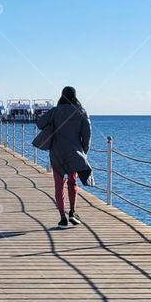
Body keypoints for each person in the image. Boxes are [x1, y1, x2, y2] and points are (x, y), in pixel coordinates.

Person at [34, 86, 93, 228]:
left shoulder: (55, 111)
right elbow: (87, 134)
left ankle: (62, 218)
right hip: (74, 153)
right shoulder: (81, 112)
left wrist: (52, 123)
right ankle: (72, 212)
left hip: (57, 152)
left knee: (59, 185)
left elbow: (40, 123)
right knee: (73, 183)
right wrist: (83, 152)